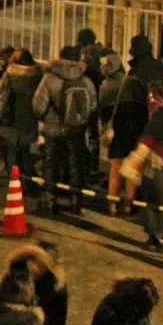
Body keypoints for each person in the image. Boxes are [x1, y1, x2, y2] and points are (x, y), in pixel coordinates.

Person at [36, 46, 97, 215]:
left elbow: (38, 106)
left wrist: (46, 118)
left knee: (51, 163)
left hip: (52, 129)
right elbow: (92, 106)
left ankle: (50, 199)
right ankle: (76, 199)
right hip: (76, 130)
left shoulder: (49, 79)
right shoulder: (85, 80)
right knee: (74, 163)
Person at [0, 49, 44, 196]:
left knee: (12, 153)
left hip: (11, 117)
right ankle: (30, 184)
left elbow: (2, 91)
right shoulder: (38, 75)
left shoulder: (10, 74)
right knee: (26, 152)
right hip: (28, 117)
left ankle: (15, 184)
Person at [100, 52, 148, 217]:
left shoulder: (119, 104)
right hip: (133, 143)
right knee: (130, 176)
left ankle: (112, 204)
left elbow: (112, 120)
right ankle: (128, 205)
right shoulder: (142, 108)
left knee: (114, 173)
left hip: (118, 142)